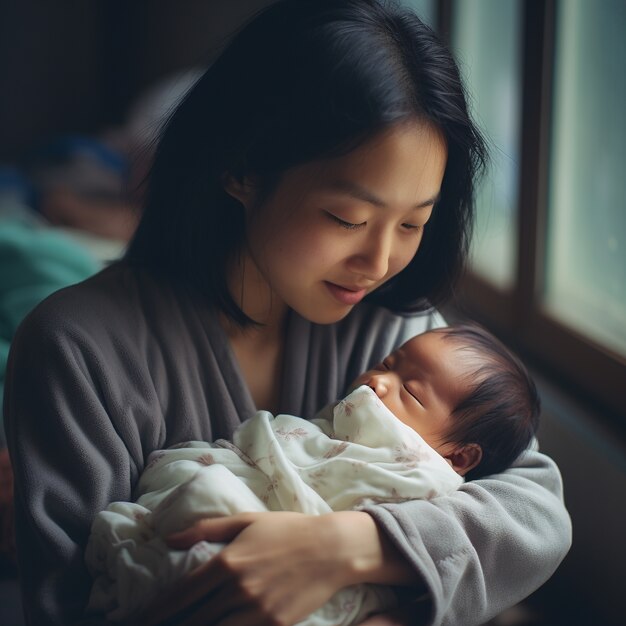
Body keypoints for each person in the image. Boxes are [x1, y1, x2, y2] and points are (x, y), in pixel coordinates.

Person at [3, 1, 571, 625]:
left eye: (414, 223)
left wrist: (343, 549)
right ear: (241, 168)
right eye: (347, 218)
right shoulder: (78, 350)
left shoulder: (393, 330)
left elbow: (536, 509)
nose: (379, 261)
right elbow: (66, 603)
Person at [84, 324, 540, 624]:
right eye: (388, 364)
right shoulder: (346, 418)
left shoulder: (424, 474)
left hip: (291, 572)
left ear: (459, 458)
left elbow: (537, 513)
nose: (378, 382)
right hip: (240, 518)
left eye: (411, 393)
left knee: (211, 496)